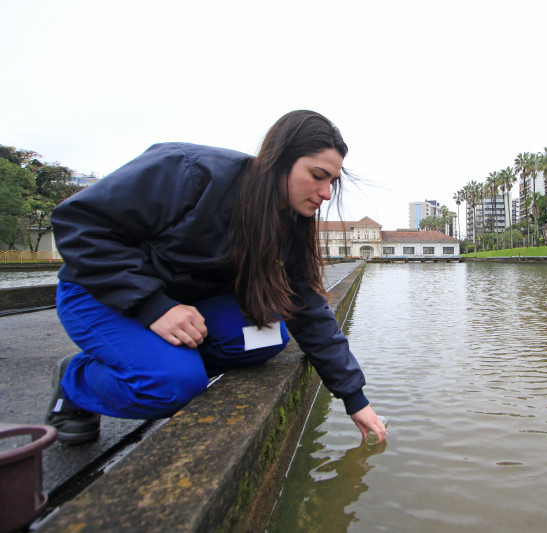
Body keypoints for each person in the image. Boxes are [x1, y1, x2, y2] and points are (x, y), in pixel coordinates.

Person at [46, 110, 387, 445]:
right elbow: (79, 223)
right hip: (101, 287)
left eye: (332, 182)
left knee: (268, 335)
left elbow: (308, 307)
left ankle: (156, 358)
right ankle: (77, 383)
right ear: (281, 160)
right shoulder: (191, 171)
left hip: (184, 300)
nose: (326, 193)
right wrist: (154, 306)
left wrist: (354, 398)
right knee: (170, 386)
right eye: (317, 175)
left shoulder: (287, 220)